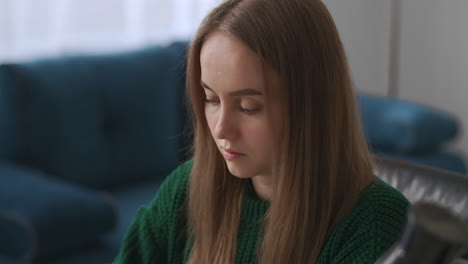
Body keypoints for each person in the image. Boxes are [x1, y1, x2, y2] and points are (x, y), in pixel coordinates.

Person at [113, 0, 410, 263]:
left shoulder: (376, 228)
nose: (220, 129)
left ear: (311, 105)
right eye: (211, 99)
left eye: (247, 107)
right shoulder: (187, 188)